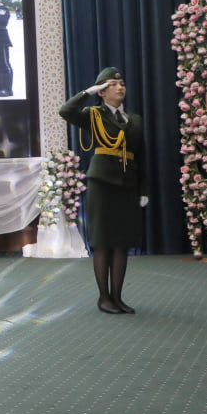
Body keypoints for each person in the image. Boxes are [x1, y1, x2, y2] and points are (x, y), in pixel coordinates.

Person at [59, 67, 147, 314]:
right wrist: (88, 92)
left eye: (122, 84)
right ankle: (103, 298)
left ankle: (117, 297)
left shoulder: (134, 119)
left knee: (121, 242)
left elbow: (141, 156)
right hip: (101, 182)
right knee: (102, 242)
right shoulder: (93, 114)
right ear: (102, 92)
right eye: (112, 85)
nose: (120, 88)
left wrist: (143, 189)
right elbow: (66, 111)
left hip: (127, 183)